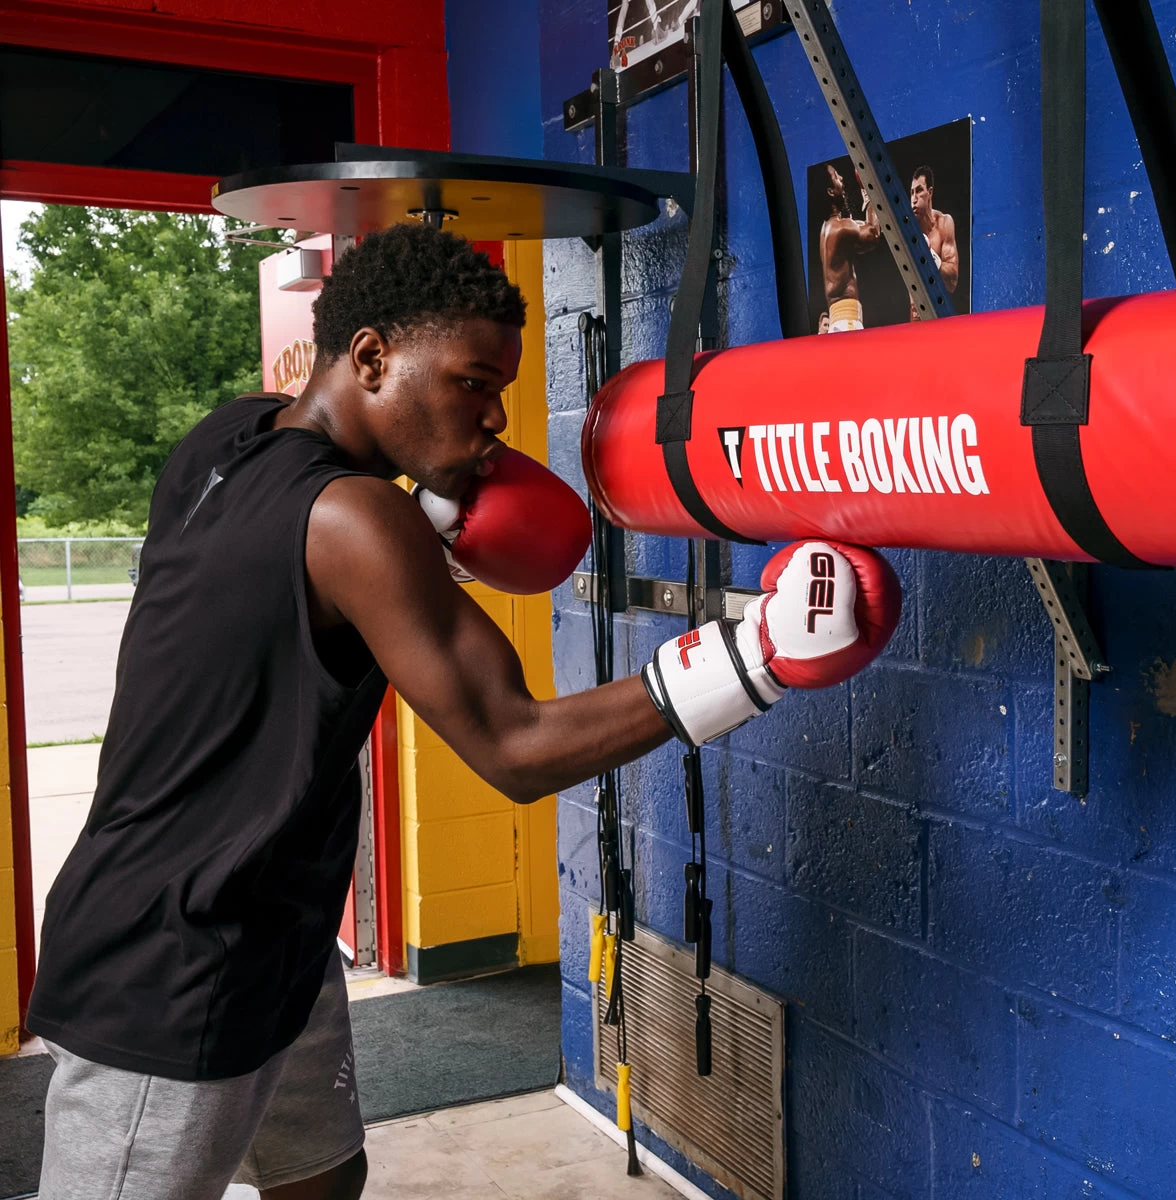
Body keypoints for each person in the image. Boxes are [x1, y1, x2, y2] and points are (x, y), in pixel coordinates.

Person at [25, 222, 897, 1199]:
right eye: (472, 384)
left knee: (320, 1174)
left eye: (500, 392)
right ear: (371, 357)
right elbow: (513, 747)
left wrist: (423, 498)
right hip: (175, 957)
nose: (493, 422)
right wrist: (755, 656)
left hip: (274, 920)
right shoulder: (358, 520)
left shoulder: (229, 436)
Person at [819, 163, 882, 332]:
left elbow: (861, 244)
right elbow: (874, 233)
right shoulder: (840, 228)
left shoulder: (827, 229)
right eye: (836, 176)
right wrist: (868, 189)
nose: (841, 178)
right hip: (847, 323)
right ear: (831, 191)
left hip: (840, 322)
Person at [908, 164, 960, 320]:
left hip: (938, 315)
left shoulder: (944, 223)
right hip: (914, 318)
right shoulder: (908, 227)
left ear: (929, 192)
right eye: (911, 193)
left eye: (919, 191)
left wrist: (931, 257)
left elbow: (953, 281)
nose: (914, 199)